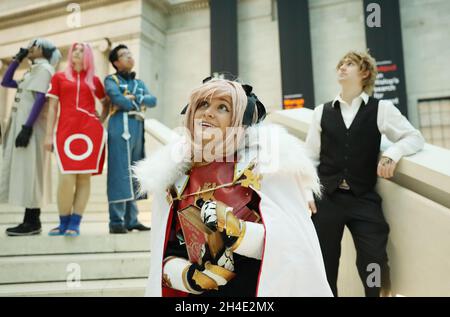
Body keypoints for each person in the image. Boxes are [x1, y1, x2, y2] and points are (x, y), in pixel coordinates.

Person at [134, 75, 333, 297]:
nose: (208, 112)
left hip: (256, 289)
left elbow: (292, 245)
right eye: (203, 104)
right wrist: (191, 278)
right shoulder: (175, 174)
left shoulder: (264, 166)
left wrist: (237, 231)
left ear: (239, 120)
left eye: (222, 107)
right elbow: (165, 251)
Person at [305, 51, 425, 297]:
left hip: (363, 198)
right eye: (340, 63)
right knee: (323, 263)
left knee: (374, 259)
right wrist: (308, 192)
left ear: (365, 72)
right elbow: (310, 159)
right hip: (326, 199)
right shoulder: (321, 111)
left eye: (349, 63)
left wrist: (393, 153)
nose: (342, 67)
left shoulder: (381, 109)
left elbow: (413, 137)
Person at [45, 42, 107, 237]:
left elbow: (106, 103)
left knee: (83, 178)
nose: (77, 54)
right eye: (75, 51)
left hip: (90, 133)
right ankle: (62, 221)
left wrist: (101, 119)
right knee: (66, 178)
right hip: (66, 133)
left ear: (88, 56)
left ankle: (75, 223)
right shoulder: (59, 78)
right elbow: (53, 108)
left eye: (82, 51)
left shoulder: (94, 81)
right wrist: (48, 135)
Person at [1, 38, 61, 236]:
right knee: (28, 172)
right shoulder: (33, 71)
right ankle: (31, 221)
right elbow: (6, 81)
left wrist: (27, 128)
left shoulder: (44, 70)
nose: (30, 48)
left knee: (32, 172)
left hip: (33, 129)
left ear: (43, 50)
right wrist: (17, 60)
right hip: (24, 127)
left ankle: (33, 221)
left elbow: (40, 98)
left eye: (34, 45)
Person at [104, 44, 156, 234]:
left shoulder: (139, 83)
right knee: (119, 171)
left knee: (135, 171)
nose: (129, 57)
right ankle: (116, 221)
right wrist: (137, 99)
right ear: (116, 62)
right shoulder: (111, 79)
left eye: (130, 54)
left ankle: (132, 219)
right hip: (120, 126)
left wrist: (134, 97)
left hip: (137, 126)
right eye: (124, 55)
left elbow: (153, 100)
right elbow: (117, 99)